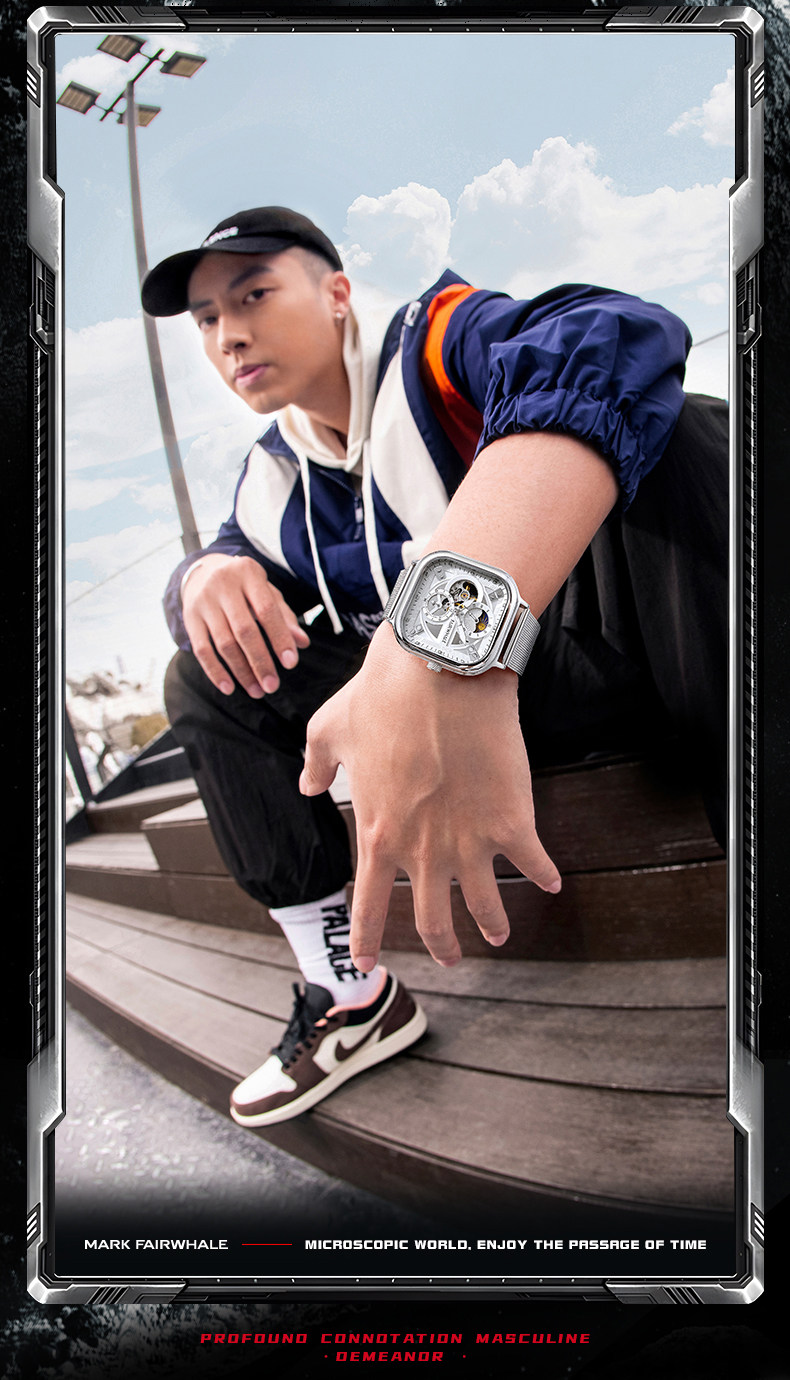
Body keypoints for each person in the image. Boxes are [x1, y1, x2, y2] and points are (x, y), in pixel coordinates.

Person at [141, 206, 728, 1130]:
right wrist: (198, 578)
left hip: (603, 655)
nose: (229, 335)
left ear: (338, 294)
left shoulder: (435, 343)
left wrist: (439, 639)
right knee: (205, 668)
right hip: (475, 715)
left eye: (253, 295)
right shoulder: (271, 480)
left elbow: (615, 332)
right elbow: (224, 564)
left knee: (685, 435)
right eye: (207, 319)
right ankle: (351, 992)